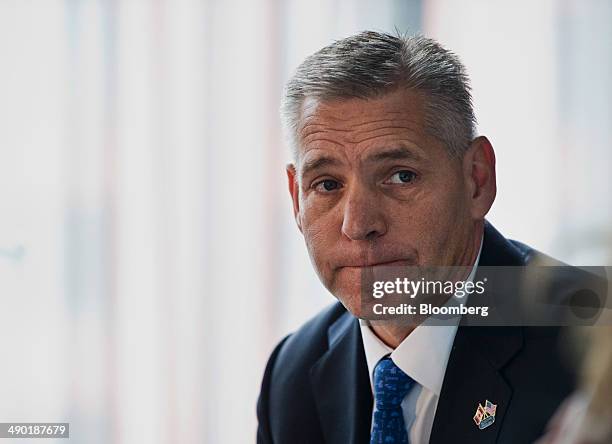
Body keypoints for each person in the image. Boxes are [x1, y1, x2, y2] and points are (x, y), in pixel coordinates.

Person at [256, 31, 580, 444]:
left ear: (476, 181)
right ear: (296, 199)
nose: (358, 224)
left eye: (400, 176)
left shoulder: (592, 349)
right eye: (327, 184)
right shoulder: (293, 373)